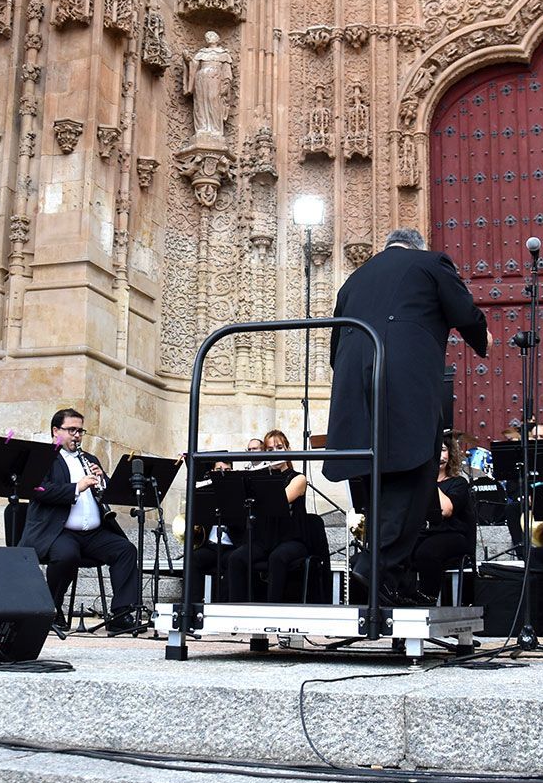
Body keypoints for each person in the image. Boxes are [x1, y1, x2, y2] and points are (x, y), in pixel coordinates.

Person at [325, 227, 491, 605]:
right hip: (402, 379)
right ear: (417, 247)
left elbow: (335, 348)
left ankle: (391, 584)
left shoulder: (353, 279)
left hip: (354, 387)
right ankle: (375, 565)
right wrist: (483, 339)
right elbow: (464, 312)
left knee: (375, 477)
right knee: (418, 472)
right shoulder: (431, 262)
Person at [19, 409, 142, 634]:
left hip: (93, 533)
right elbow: (38, 490)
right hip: (58, 531)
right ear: (56, 431)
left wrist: (103, 481)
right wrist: (77, 487)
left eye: (80, 431)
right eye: (71, 430)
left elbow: (106, 495)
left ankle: (121, 613)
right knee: (66, 555)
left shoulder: (90, 459)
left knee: (125, 550)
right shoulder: (45, 459)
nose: (77, 435)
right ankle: (52, 610)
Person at [224, 430, 325, 603]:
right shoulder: (262, 478)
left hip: (292, 539)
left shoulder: (298, 479)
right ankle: (237, 610)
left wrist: (261, 479)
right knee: (236, 558)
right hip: (265, 540)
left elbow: (280, 501)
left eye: (279, 447)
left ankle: (273, 608)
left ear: (287, 449)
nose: (275, 452)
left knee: (277, 558)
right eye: (270, 450)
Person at [186, 436, 264, 602]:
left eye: (227, 471)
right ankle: (192, 605)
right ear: (212, 472)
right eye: (218, 470)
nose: (222, 473)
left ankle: (223, 605)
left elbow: (243, 525)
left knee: (233, 561)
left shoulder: (238, 492)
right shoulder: (206, 493)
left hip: (231, 546)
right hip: (211, 545)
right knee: (193, 558)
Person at [409, 434, 477, 603]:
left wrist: (429, 478)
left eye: (443, 450)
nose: (439, 455)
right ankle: (404, 597)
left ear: (450, 454)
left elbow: (445, 510)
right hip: (426, 533)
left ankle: (428, 598)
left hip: (453, 535)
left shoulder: (458, 483)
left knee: (427, 553)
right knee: (403, 551)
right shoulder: (417, 485)